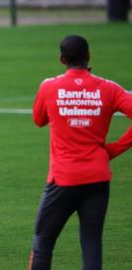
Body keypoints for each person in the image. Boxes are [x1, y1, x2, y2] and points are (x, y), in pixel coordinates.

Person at [29, 35, 132, 270]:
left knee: (43, 240)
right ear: (88, 56)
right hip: (98, 176)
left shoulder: (50, 86)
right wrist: (113, 150)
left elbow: (38, 120)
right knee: (91, 240)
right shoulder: (109, 88)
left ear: (62, 59)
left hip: (63, 178)